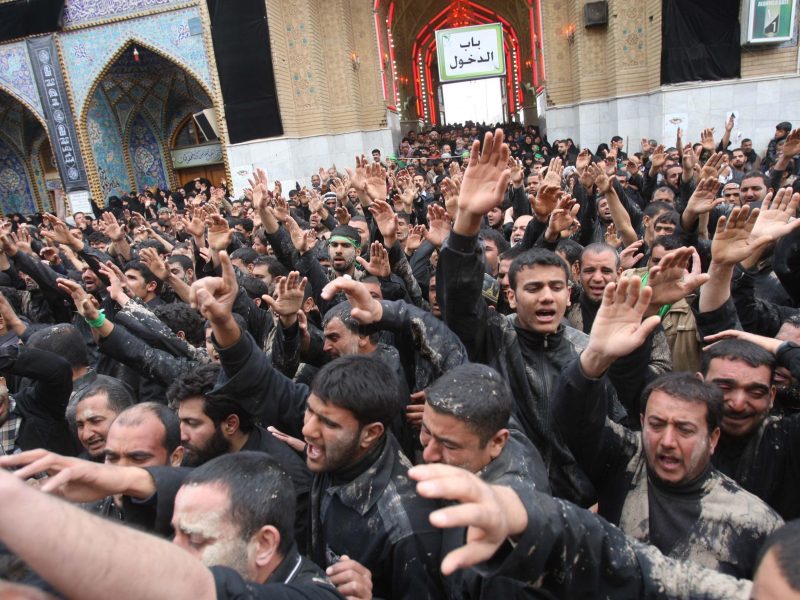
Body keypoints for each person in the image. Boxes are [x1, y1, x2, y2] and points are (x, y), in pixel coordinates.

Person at [554, 276, 782, 578]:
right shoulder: (628, 461)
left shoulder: (755, 523)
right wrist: (597, 356)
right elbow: (574, 419)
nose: (667, 441)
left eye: (685, 430)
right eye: (657, 425)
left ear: (712, 438)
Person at [0, 451, 344, 600]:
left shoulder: (314, 592)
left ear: (265, 543)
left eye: (195, 540)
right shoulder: (219, 523)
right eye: (174, 530)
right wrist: (129, 479)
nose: (172, 548)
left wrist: (16, 503)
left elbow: (199, 590)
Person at [69, 375, 135, 460]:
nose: (86, 435)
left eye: (95, 421)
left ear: (126, 417)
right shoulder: (78, 469)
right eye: (80, 425)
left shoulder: (154, 459)